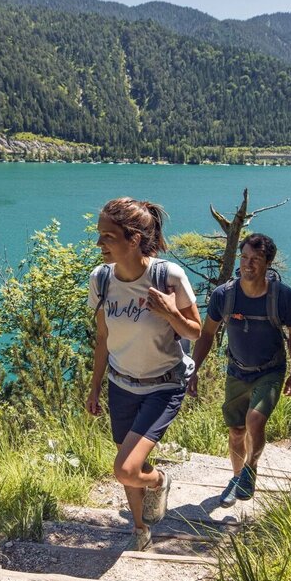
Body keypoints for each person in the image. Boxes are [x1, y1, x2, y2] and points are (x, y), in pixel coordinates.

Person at [86, 197, 202, 551]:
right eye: (99, 235)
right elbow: (104, 338)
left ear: (133, 239)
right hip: (121, 385)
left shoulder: (167, 276)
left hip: (163, 386)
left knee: (125, 467)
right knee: (128, 464)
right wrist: (94, 389)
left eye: (107, 236)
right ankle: (140, 529)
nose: (99, 244)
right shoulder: (101, 279)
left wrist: (170, 313)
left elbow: (195, 331)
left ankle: (160, 481)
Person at [188, 233, 291, 506]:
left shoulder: (281, 297)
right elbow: (206, 335)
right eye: (244, 258)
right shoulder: (224, 296)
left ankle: (251, 467)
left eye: (256, 259)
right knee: (237, 431)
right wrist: (193, 370)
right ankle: (237, 476)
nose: (248, 264)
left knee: (255, 420)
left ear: (268, 263)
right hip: (237, 371)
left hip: (270, 371)